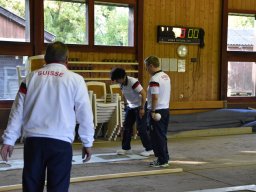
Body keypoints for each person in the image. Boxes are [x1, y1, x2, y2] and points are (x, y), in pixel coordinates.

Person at [0, 41, 95, 192]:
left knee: (31, 188)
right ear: (67, 60)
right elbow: (85, 114)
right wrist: (87, 142)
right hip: (61, 143)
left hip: (34, 143)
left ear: (45, 59)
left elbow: (17, 110)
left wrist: (9, 140)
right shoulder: (76, 80)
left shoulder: (30, 78)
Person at [110, 68, 153, 157]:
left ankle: (150, 149)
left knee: (141, 128)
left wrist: (142, 108)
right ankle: (126, 148)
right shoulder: (121, 83)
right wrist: (126, 104)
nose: (117, 81)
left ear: (123, 77)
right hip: (131, 106)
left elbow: (144, 94)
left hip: (141, 105)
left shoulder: (133, 82)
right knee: (126, 127)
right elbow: (124, 93)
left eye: (118, 79)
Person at [144, 56, 171, 168]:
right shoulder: (165, 76)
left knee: (156, 136)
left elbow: (155, 97)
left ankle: (162, 160)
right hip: (165, 109)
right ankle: (165, 156)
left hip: (157, 110)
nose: (146, 69)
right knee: (162, 135)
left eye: (146, 66)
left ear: (151, 65)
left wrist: (153, 111)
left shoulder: (154, 79)